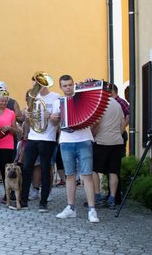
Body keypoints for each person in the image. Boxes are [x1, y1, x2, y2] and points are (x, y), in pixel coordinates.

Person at [53, 75, 99, 223]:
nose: (68, 88)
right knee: (70, 175)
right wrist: (54, 117)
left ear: (73, 85)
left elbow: (95, 113)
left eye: (70, 85)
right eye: (65, 85)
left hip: (84, 140)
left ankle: (92, 210)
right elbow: (54, 123)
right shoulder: (57, 102)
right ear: (61, 87)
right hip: (66, 142)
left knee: (87, 175)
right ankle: (70, 208)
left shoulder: (83, 99)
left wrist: (90, 84)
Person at [18, 75, 61, 211]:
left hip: (48, 138)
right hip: (33, 136)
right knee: (26, 168)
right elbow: (30, 122)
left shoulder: (56, 97)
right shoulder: (33, 96)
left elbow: (56, 120)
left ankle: (43, 202)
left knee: (45, 169)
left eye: (39, 83)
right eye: (35, 83)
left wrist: (50, 116)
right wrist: (28, 116)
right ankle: (23, 200)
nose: (36, 86)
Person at [91, 93, 124, 210]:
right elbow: (122, 124)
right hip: (117, 142)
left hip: (101, 141)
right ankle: (112, 199)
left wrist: (93, 135)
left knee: (93, 169)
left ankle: (98, 197)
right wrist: (116, 136)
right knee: (113, 171)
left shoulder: (100, 104)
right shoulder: (117, 104)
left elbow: (96, 124)